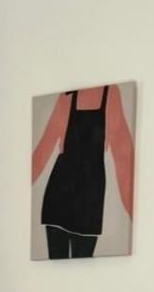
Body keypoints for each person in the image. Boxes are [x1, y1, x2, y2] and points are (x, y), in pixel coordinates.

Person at [32, 84, 134, 258]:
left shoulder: (111, 93)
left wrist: (136, 215)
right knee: (55, 267)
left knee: (84, 266)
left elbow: (123, 157)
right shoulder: (66, 96)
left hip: (89, 200)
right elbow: (45, 144)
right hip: (58, 197)